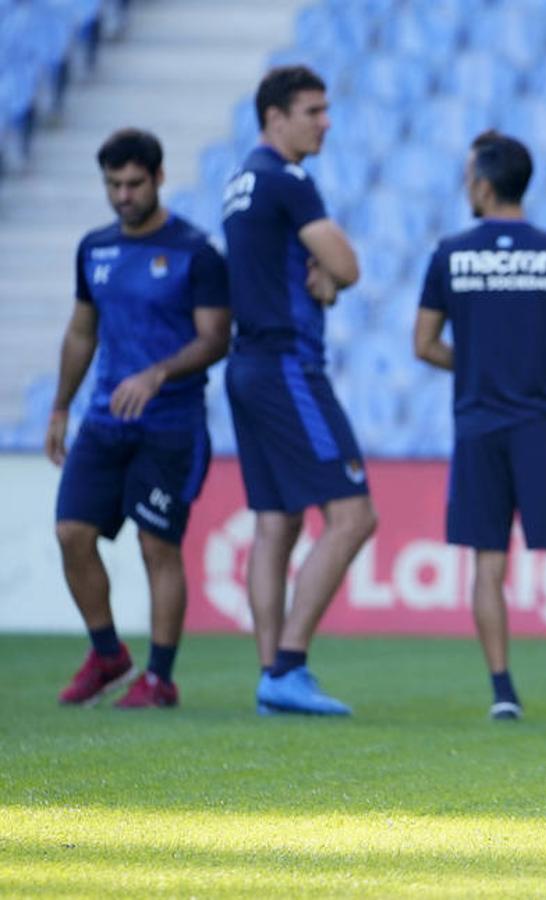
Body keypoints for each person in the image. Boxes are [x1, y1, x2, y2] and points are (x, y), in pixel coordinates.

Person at [414, 130, 546, 724]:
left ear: (481, 184)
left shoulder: (448, 254)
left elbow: (424, 344)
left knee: (488, 559)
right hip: (540, 423)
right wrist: (532, 365)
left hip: (478, 425)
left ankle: (503, 693)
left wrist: (481, 361)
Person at [47, 128, 231, 708]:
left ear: (158, 178)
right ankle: (107, 654)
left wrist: (157, 374)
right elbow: (82, 330)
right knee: (71, 534)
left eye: (133, 184)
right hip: (104, 422)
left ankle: (160, 677)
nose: (123, 196)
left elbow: (216, 338)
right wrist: (59, 406)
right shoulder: (94, 249)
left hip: (170, 425)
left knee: (158, 545)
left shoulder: (196, 252)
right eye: (113, 185)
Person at [222, 65, 376, 716]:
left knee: (275, 523)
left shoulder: (239, 183)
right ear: (275, 116)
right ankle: (286, 667)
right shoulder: (288, 180)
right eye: (312, 110)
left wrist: (322, 280)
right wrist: (332, 281)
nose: (325, 121)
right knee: (353, 515)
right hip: (287, 363)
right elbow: (347, 265)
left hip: (246, 364)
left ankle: (270, 676)